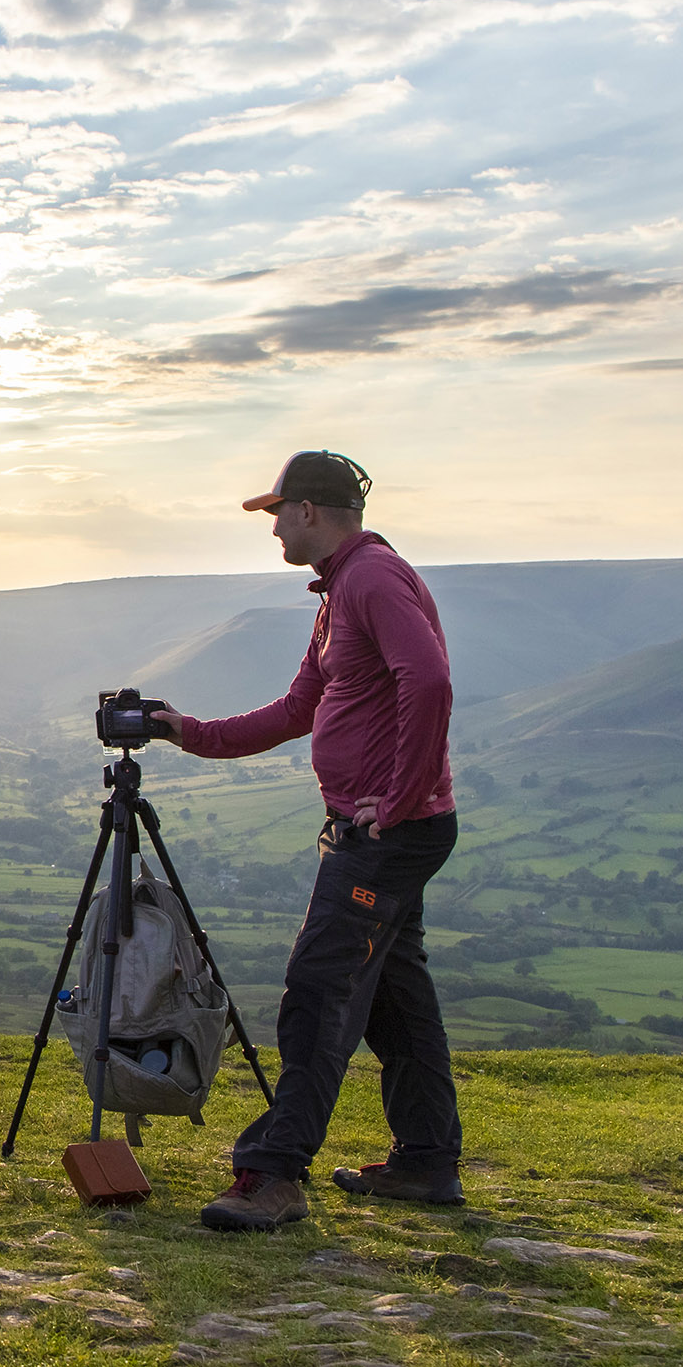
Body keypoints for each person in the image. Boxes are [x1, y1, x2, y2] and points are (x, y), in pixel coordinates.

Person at [147, 449, 464, 1230]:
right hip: (391, 828)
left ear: (310, 512)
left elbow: (429, 680)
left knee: (319, 993)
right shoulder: (341, 592)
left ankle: (274, 1173)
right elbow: (299, 707)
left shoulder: (370, 579)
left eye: (276, 512)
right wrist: (190, 733)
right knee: (395, 1000)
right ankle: (426, 1161)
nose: (272, 526)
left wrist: (394, 796)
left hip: (382, 834)